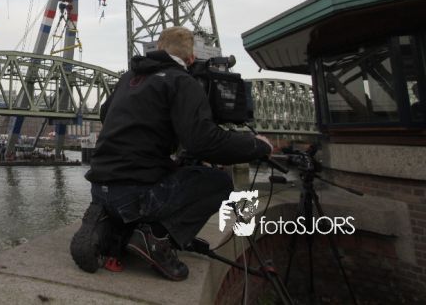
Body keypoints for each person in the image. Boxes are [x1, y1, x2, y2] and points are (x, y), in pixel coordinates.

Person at [70, 26, 273, 281]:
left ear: (158, 48)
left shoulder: (129, 78)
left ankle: (107, 226)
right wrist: (256, 145)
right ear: (191, 58)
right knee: (219, 183)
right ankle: (155, 237)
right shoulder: (181, 81)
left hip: (100, 189)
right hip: (136, 193)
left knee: (165, 172)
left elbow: (104, 113)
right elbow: (204, 142)